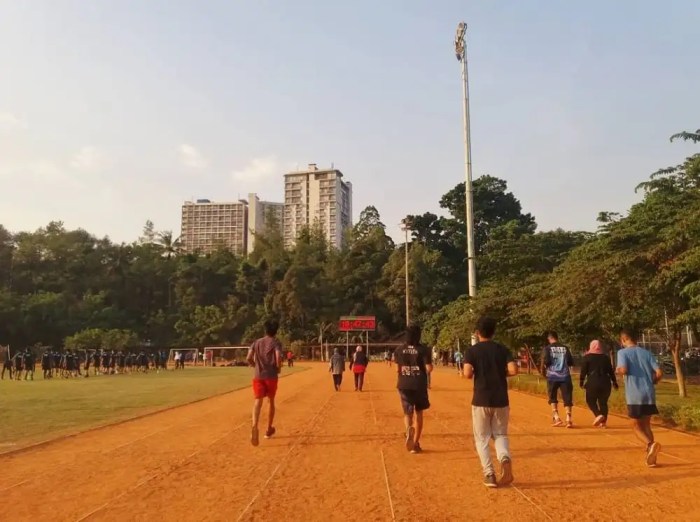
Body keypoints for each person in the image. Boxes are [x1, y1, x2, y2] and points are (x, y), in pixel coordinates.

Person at [464, 316, 518, 489]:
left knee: (482, 439)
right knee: (500, 435)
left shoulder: (472, 351)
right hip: (501, 399)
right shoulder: (502, 349)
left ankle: (489, 474)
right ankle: (504, 458)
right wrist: (501, 374)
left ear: (477, 333)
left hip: (481, 399)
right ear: (494, 332)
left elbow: (467, 373)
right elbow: (513, 370)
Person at [616, 329, 663, 467]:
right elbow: (659, 372)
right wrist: (653, 381)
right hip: (649, 393)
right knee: (646, 425)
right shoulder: (646, 353)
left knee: (635, 426)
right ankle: (651, 457)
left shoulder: (622, 352)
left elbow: (623, 370)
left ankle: (650, 445)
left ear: (623, 340)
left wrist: (618, 370)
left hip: (634, 395)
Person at [395, 325, 433, 454]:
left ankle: (408, 430)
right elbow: (429, 369)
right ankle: (415, 443)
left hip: (404, 384)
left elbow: (397, 369)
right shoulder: (424, 349)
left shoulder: (399, 349)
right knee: (419, 413)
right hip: (419, 384)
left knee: (407, 413)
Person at [247, 319, 284, 446]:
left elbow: (248, 357)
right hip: (271, 376)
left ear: (265, 330)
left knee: (258, 401)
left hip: (258, 376)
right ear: (276, 331)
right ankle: (268, 429)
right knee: (271, 401)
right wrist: (278, 368)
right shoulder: (275, 342)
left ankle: (254, 425)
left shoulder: (256, 342)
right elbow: (278, 357)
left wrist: (254, 366)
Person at [580, 340, 618, 428]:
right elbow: (611, 371)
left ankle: (598, 415)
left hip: (593, 382)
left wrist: (581, 382)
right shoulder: (606, 357)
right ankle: (603, 423)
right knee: (603, 402)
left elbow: (583, 372)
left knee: (590, 401)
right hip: (606, 382)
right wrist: (615, 382)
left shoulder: (587, 357)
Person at [540, 331, 575, 428]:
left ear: (549, 338)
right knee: (567, 397)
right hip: (565, 376)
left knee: (553, 397)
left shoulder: (547, 348)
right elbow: (570, 362)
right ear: (557, 337)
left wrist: (543, 373)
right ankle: (568, 419)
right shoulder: (565, 348)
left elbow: (545, 361)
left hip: (552, 376)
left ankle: (557, 417)